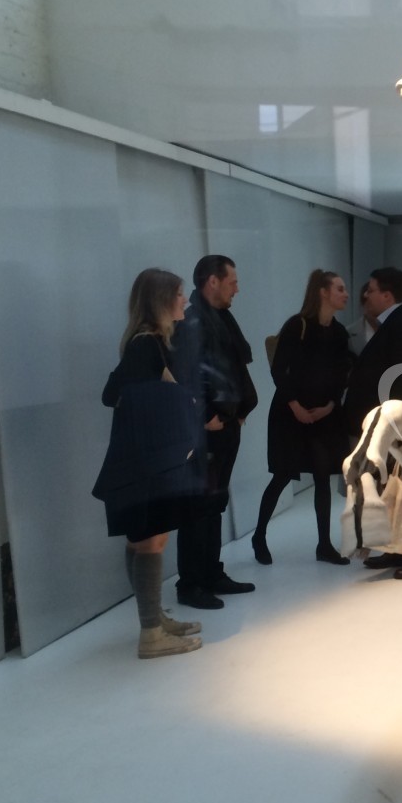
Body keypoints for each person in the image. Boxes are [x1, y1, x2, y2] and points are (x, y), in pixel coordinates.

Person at [93, 268, 203, 659]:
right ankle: (151, 632)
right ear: (161, 300)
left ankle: (153, 619)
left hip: (145, 457)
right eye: (179, 294)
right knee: (150, 540)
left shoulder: (148, 343)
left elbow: (120, 394)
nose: (185, 301)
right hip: (148, 460)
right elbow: (114, 394)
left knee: (144, 538)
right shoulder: (145, 344)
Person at [340, 266, 402, 579]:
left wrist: (390, 424)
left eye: (370, 290)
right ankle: (399, 548)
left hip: (393, 424)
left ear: (387, 295)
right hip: (384, 424)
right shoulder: (392, 324)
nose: (365, 296)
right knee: (389, 486)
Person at [173, 254, 259, 610]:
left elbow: (232, 367)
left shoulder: (220, 318)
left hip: (225, 426)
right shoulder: (193, 322)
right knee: (198, 505)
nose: (236, 288)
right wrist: (205, 415)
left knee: (214, 502)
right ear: (212, 282)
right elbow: (185, 374)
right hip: (206, 430)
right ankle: (191, 583)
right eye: (232, 281)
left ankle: (211, 573)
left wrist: (238, 412)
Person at [251, 269, 352, 565]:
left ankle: (324, 545)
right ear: (323, 292)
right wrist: (295, 405)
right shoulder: (297, 326)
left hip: (324, 415)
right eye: (340, 288)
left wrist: (331, 406)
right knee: (282, 475)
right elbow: (279, 369)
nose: (345, 294)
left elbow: (341, 375)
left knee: (322, 477)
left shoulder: (339, 332)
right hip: (289, 414)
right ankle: (259, 535)